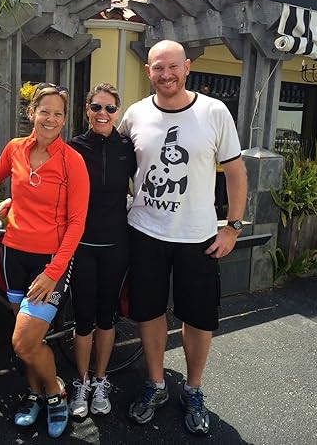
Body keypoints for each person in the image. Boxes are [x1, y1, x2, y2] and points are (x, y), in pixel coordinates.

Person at [118, 40, 247, 436]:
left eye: (173, 66)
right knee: (149, 311)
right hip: (145, 232)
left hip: (198, 236)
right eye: (158, 68)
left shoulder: (214, 111)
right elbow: (113, 161)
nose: (166, 74)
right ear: (148, 71)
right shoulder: (135, 114)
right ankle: (156, 384)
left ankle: (193, 389)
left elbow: (236, 171)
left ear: (187, 67)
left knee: (197, 317)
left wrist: (233, 226)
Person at [0, 84, 90, 439]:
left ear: (64, 119)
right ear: (32, 113)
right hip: (13, 254)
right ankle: (34, 393)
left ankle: (55, 392)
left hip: (49, 262)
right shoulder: (16, 148)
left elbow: (77, 223)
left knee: (24, 341)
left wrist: (53, 272)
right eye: (45, 112)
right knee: (26, 340)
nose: (51, 119)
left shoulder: (72, 161)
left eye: (58, 114)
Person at [66, 83, 136, 419]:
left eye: (109, 108)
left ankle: (100, 380)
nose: (102, 113)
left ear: (117, 112)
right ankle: (80, 383)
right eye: (96, 107)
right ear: (87, 111)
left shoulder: (127, 148)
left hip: (116, 245)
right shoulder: (73, 147)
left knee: (106, 317)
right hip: (81, 246)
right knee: (83, 319)